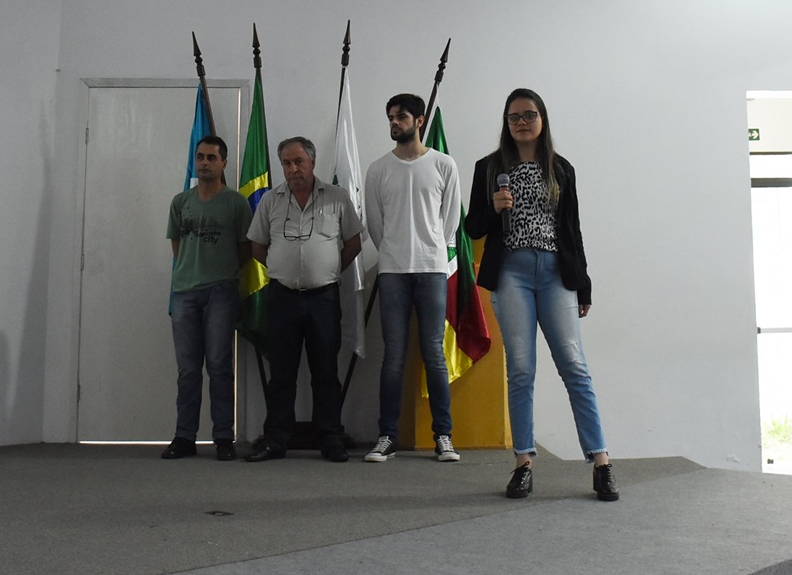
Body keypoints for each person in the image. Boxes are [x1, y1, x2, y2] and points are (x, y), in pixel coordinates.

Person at [464, 88, 618, 501]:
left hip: (555, 274)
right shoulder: (488, 168)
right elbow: (472, 227)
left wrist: (583, 283)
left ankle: (601, 462)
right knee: (521, 369)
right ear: (506, 123)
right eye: (514, 117)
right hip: (511, 274)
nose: (522, 122)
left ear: (542, 119)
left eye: (529, 115)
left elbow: (572, 230)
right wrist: (493, 208)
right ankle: (523, 464)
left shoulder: (561, 169)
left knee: (574, 366)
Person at [244, 137, 363, 463]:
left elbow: (353, 243)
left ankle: (331, 439)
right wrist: (281, 268)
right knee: (281, 373)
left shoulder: (337, 197)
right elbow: (257, 245)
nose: (292, 169)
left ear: (312, 162)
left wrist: (328, 270)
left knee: (325, 371)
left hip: (323, 299)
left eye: (298, 161)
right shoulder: (270, 200)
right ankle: (275, 440)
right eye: (286, 163)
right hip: (282, 298)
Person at [363, 93, 462, 463]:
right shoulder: (378, 169)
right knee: (393, 355)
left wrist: (430, 247)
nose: (394, 122)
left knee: (434, 353)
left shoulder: (443, 164)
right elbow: (375, 223)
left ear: (419, 121)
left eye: (401, 116)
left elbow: (450, 220)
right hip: (393, 271)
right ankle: (386, 436)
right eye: (390, 116)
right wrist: (393, 251)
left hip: (432, 269)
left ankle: (444, 436)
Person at [163, 136, 252, 461]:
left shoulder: (236, 203)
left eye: (211, 158)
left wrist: (219, 270)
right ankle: (184, 437)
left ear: (223, 163)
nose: (204, 162)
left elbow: (246, 249)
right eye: (200, 157)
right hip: (184, 293)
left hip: (221, 292)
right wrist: (193, 270)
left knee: (219, 366)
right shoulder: (180, 202)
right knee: (188, 370)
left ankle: (223, 437)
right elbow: (177, 245)